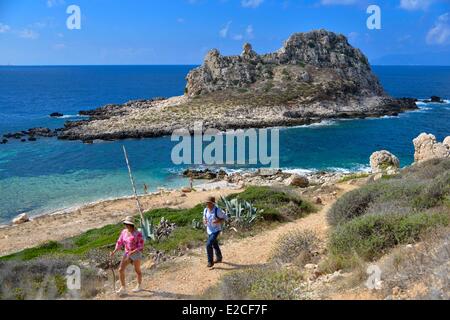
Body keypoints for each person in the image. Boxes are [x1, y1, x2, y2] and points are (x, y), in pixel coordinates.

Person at [110, 216, 144, 295]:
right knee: (121, 269)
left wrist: (133, 251)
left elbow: (141, 246)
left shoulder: (138, 233)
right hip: (127, 253)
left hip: (136, 254)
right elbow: (119, 242)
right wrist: (114, 251)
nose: (126, 225)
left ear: (131, 225)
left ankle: (139, 285)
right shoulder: (124, 232)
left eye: (127, 224)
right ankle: (123, 288)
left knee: (137, 270)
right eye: (125, 224)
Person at [203, 196, 228, 268]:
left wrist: (218, 221)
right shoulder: (205, 210)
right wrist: (204, 221)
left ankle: (210, 262)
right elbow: (204, 218)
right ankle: (219, 258)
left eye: (209, 203)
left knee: (208, 244)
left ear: (213, 203)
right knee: (214, 244)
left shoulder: (218, 210)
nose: (207, 204)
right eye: (207, 203)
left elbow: (225, 217)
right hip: (209, 230)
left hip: (216, 230)